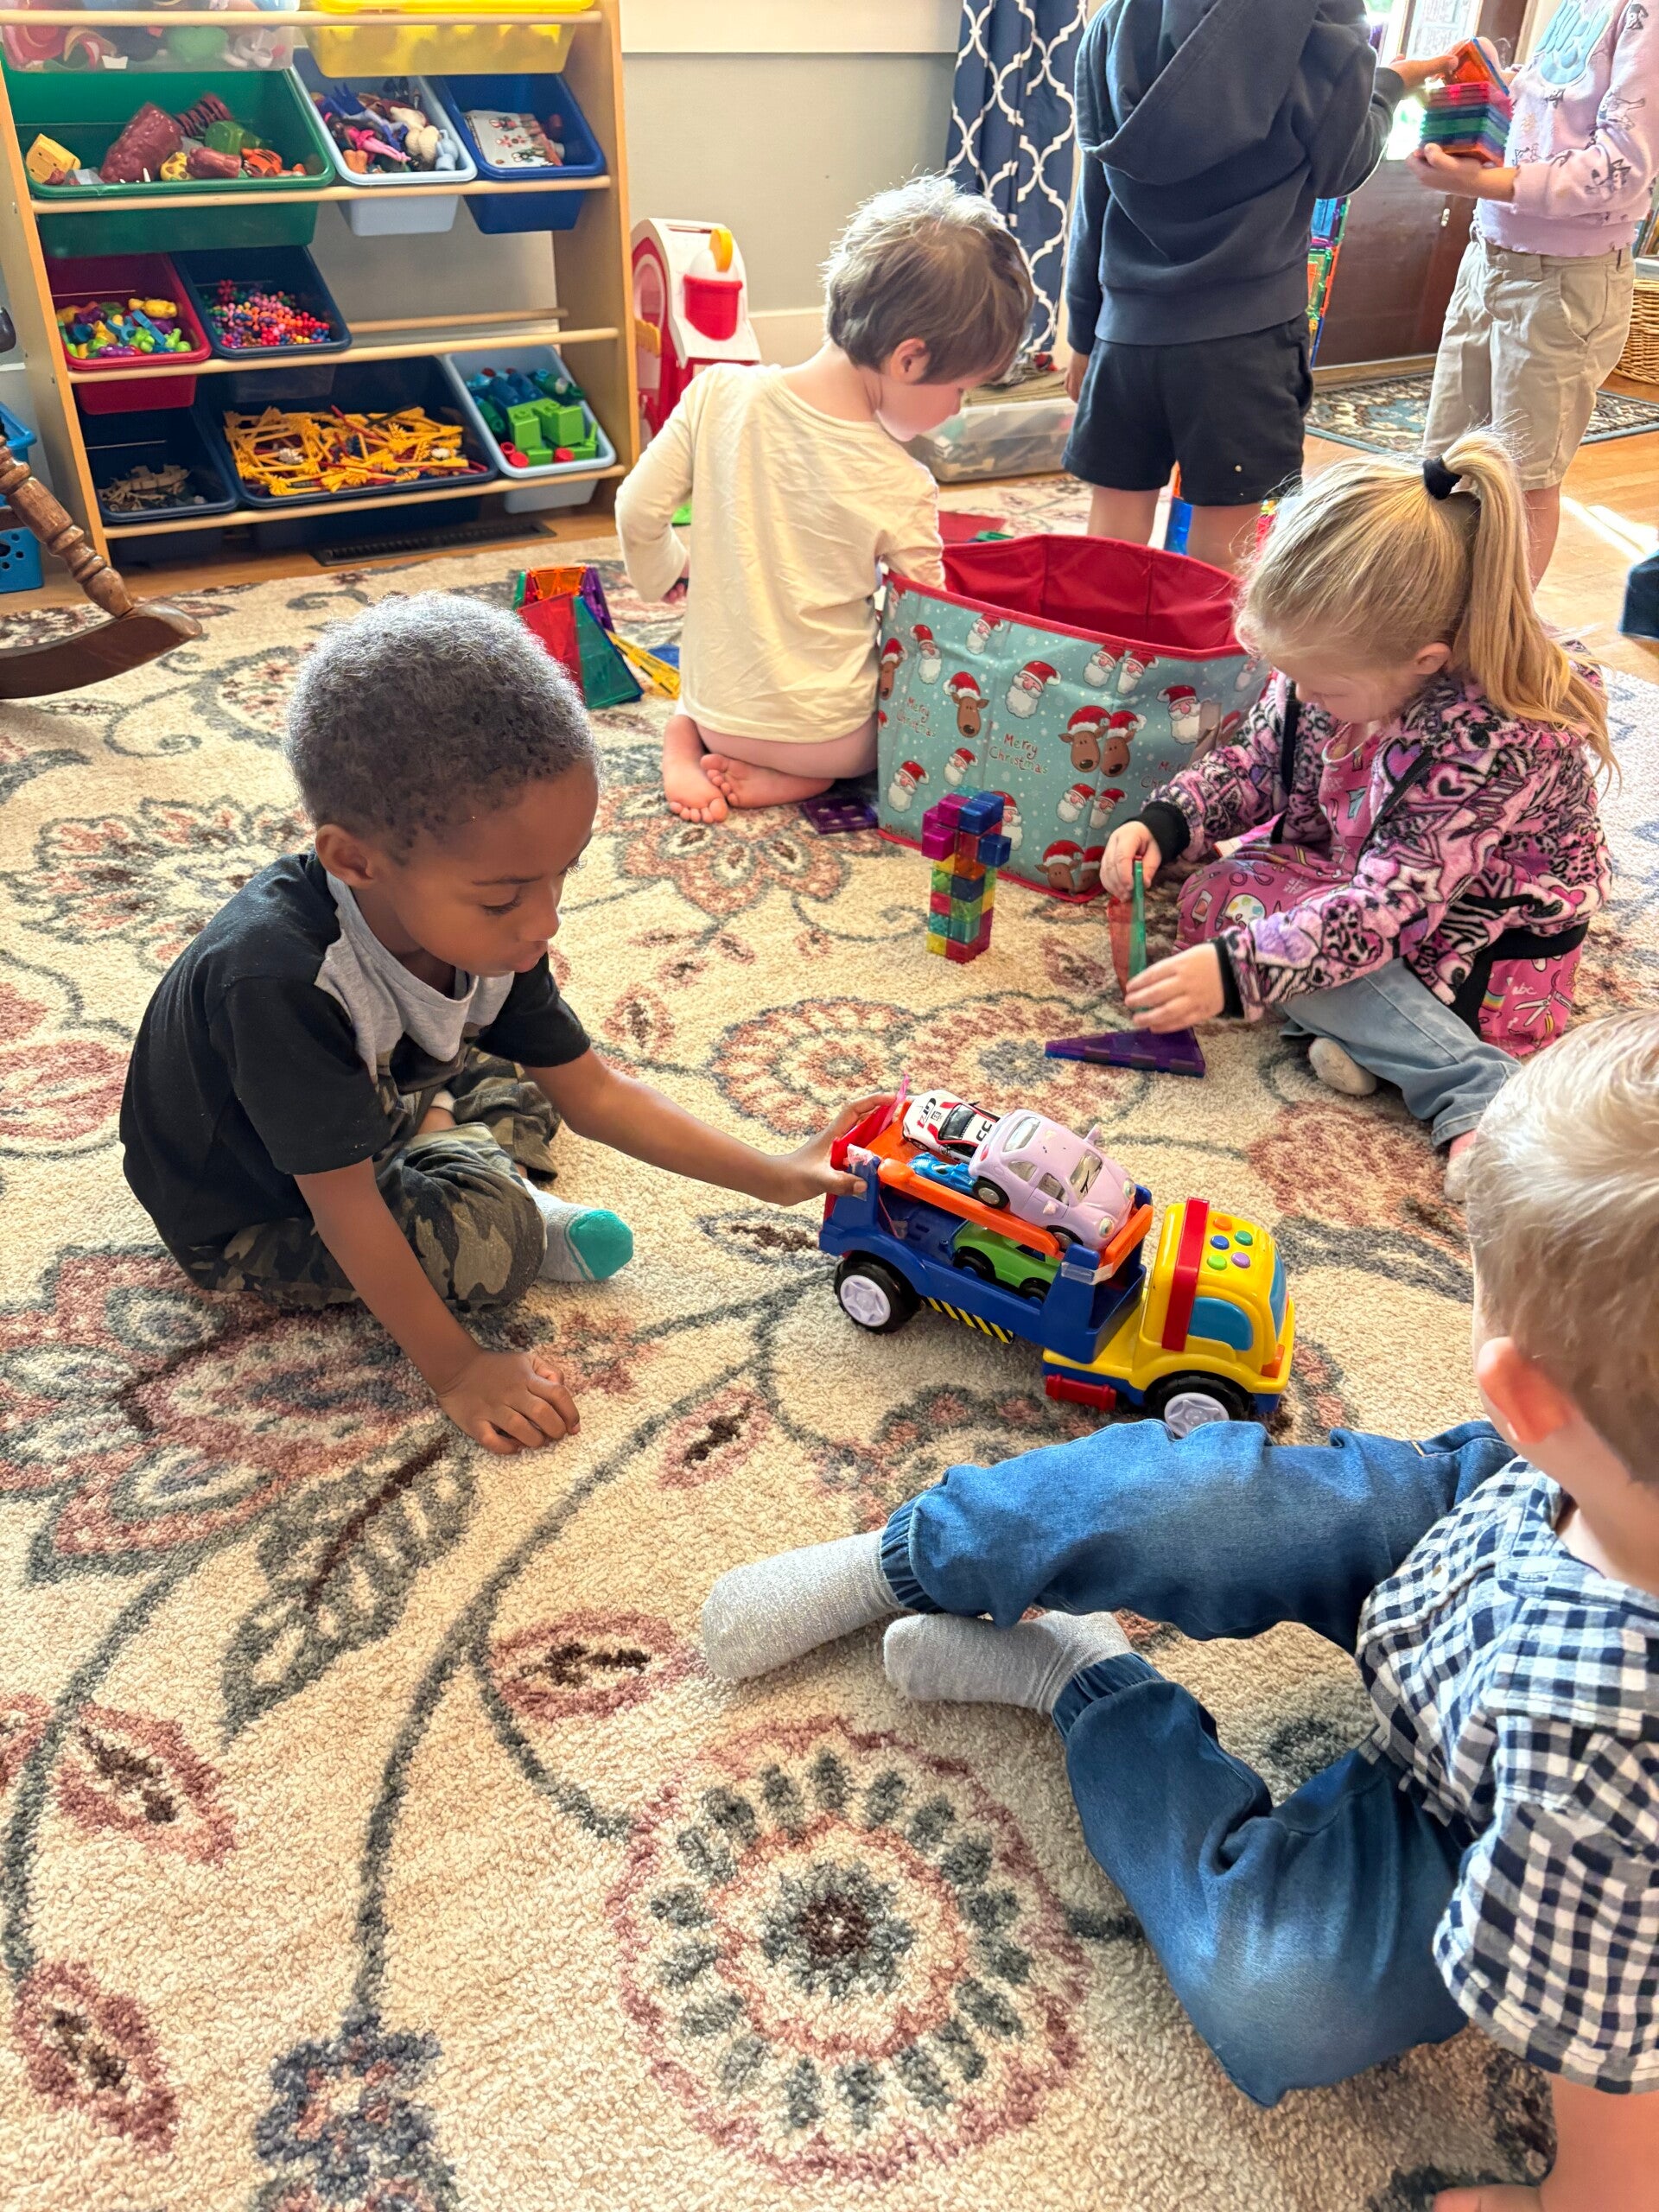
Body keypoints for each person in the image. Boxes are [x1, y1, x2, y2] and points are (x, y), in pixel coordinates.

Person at [700, 1012, 1659, 2210]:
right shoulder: (1562, 1457)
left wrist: (1588, 2199)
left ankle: (1082, 1678)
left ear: (1520, 1390)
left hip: (1487, 1806)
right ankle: (915, 1555)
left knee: (1280, 1993)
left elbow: (1614, 2030)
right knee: (1209, 1493)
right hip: (1493, 1523)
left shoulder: (1600, 1758)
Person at [119, 596, 875, 1457]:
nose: (544, 920)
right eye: (503, 896)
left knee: (525, 1068)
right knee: (493, 1239)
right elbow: (345, 1210)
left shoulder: (483, 933)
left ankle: (444, 1133)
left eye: (562, 875)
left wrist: (776, 1176)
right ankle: (493, 1178)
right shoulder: (277, 979)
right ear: (354, 860)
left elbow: (596, 1093)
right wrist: (459, 1370)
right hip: (255, 1208)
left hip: (365, 1102)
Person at [1101, 433, 1611, 1202]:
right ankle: (1361, 1039)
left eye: (1325, 688)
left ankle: (1477, 1091)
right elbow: (1260, 759)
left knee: (1273, 951)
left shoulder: (1493, 738)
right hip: (1367, 873)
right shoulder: (1335, 670)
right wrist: (1168, 822)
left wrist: (1242, 972)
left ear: (1427, 662)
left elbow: (1386, 913)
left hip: (1481, 944)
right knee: (1221, 895)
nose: (1305, 698)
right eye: (1292, 677)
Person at [615, 176, 1033, 823]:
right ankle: (804, 778)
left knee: (705, 680)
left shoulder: (716, 394)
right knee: (878, 740)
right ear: (910, 360)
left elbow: (636, 511)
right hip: (829, 740)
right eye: (961, 390)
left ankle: (683, 736)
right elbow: (929, 627)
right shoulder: (902, 484)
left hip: (718, 711)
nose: (956, 411)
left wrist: (665, 569)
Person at [1062, 0, 1448, 573]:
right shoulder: (1317, 20)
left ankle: (1103, 631)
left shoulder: (1115, 20)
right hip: (1246, 337)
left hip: (1127, 332)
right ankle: (1204, 638)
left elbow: (1094, 198)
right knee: (1226, 550)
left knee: (1112, 533)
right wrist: (1390, 85)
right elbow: (1342, 165)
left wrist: (1083, 332)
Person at [1414, 2, 1659, 585]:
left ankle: (1500, 629)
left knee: (1524, 478)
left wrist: (1483, 182)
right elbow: (1555, 106)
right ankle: (1436, 611)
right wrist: (1495, 82)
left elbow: (1624, 167)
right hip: (1489, 254)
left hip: (1565, 279)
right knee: (1446, 460)